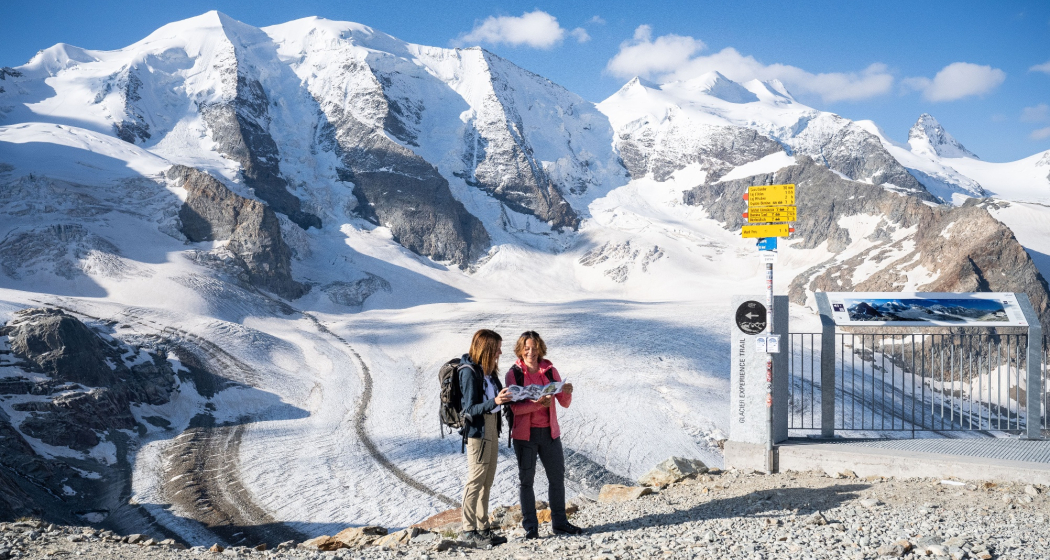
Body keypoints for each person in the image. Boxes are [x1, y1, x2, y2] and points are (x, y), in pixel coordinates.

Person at [505, 330, 584, 539]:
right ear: (520, 350)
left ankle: (560, 523)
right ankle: (531, 527)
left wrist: (566, 391)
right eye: (527, 348)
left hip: (550, 433)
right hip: (525, 436)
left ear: (540, 348)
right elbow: (513, 408)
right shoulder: (514, 374)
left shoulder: (549, 370)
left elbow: (564, 403)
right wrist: (536, 405)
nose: (531, 352)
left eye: (534, 348)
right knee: (526, 481)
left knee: (557, 478)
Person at [459, 329, 512, 546]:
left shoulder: (488, 372)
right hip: (478, 430)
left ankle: (483, 527)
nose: (500, 351)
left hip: (491, 427)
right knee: (476, 479)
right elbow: (469, 409)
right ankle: (468, 530)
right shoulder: (470, 372)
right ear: (487, 348)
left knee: (487, 480)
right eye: (497, 347)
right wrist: (496, 402)